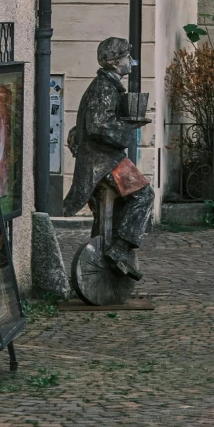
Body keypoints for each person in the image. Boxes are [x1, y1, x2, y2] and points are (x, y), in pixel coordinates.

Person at [63, 35, 153, 278]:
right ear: (114, 62)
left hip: (103, 157)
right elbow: (98, 125)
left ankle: (107, 248)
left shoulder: (107, 85)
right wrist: (126, 129)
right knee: (144, 195)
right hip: (103, 160)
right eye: (127, 57)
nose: (131, 61)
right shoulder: (104, 87)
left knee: (115, 207)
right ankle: (120, 249)